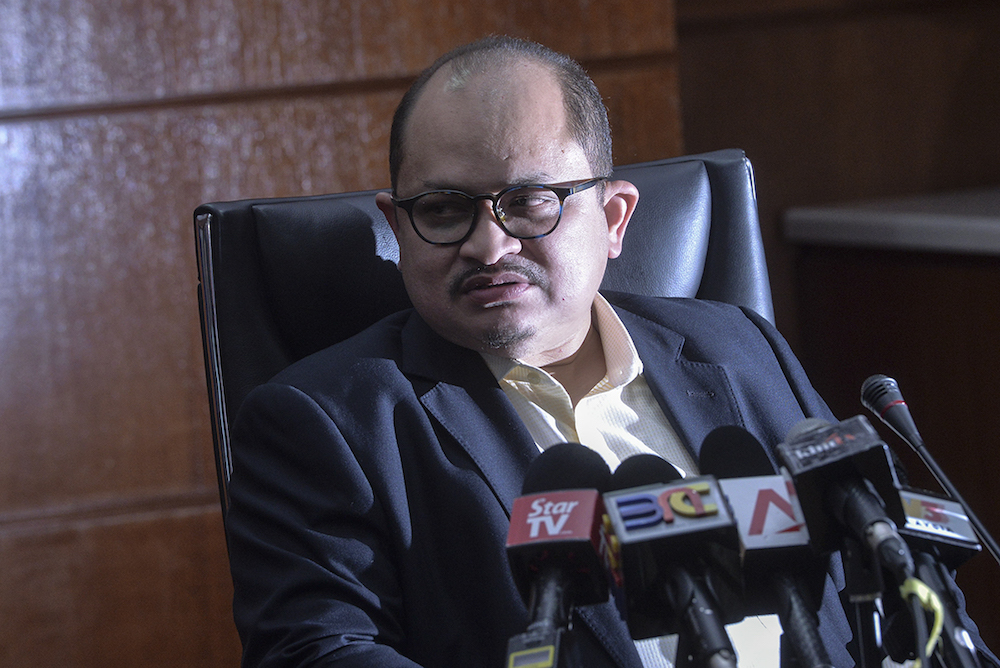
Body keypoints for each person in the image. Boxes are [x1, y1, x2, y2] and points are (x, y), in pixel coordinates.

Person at [224, 36, 996, 667]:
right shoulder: (326, 423)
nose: (489, 246)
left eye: (528, 202)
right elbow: (318, 653)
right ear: (397, 227)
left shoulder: (740, 346)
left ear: (615, 218)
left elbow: (905, 579)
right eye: (445, 209)